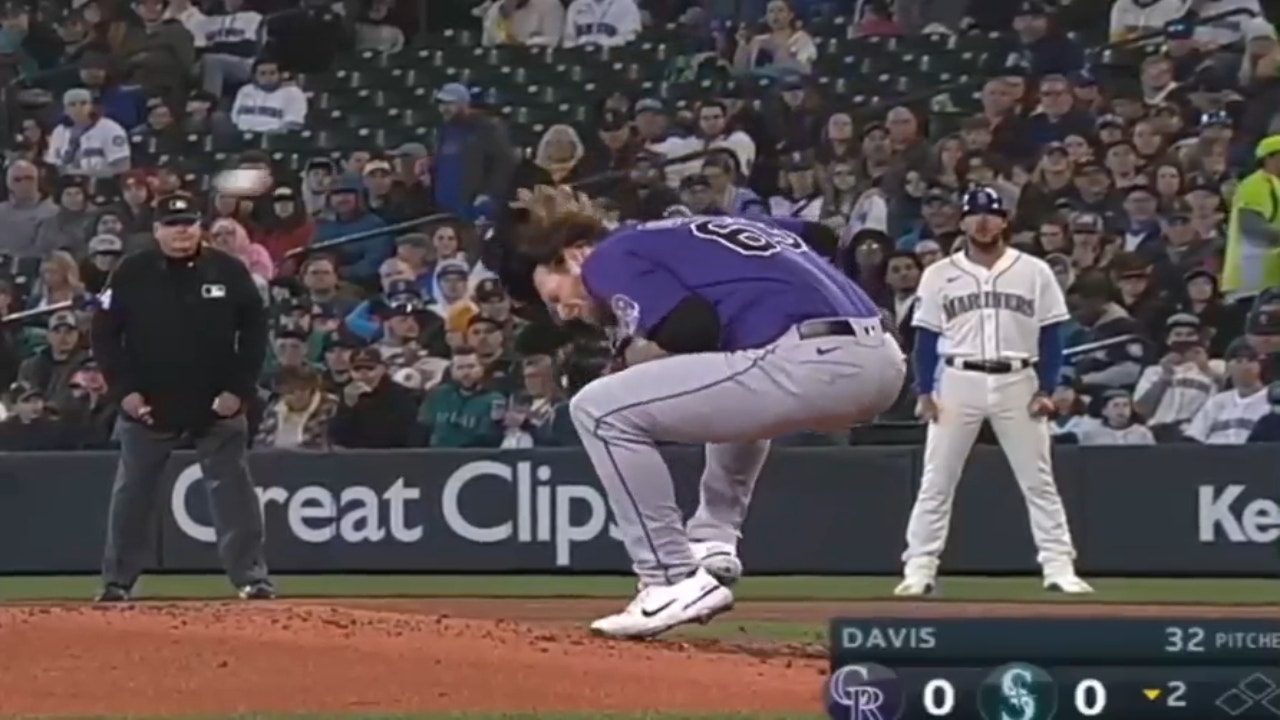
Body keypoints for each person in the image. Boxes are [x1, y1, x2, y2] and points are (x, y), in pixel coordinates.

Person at [511, 185, 904, 638]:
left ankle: (671, 578)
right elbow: (819, 236)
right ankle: (713, 541)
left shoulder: (608, 256)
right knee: (732, 367)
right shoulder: (703, 228)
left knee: (598, 410)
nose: (564, 313)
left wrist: (637, 355)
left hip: (815, 361)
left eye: (556, 297)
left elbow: (693, 327)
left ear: (574, 255)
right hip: (882, 360)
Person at [898, 186, 1091, 596]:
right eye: (974, 215)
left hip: (1017, 378)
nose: (982, 222)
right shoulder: (938, 273)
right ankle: (919, 568)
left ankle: (1059, 567)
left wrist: (1047, 387)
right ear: (963, 222)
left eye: (991, 214)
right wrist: (924, 390)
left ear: (1004, 220)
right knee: (937, 479)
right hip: (957, 378)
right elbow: (927, 340)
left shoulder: (1034, 270)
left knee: (1038, 479)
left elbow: (1051, 336)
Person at [89, 194, 273, 602]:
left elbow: (256, 332)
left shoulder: (228, 269)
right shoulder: (131, 271)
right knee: (133, 493)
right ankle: (116, 582)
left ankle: (251, 579)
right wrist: (125, 393)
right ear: (156, 230)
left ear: (200, 227)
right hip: (149, 405)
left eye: (188, 222)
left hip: (216, 403)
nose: (182, 231)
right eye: (172, 223)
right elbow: (103, 334)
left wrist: (239, 391)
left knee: (234, 493)